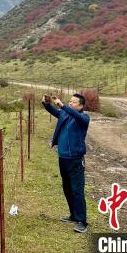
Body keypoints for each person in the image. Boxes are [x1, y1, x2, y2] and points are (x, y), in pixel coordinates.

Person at [42, 93, 90, 233]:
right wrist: (46, 103)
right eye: (70, 101)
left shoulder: (83, 118)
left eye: (74, 102)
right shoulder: (64, 114)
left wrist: (62, 105)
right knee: (67, 188)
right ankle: (73, 215)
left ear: (81, 106)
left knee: (77, 191)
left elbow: (73, 114)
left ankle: (82, 221)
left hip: (75, 160)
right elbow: (54, 111)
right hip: (63, 158)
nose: (70, 103)